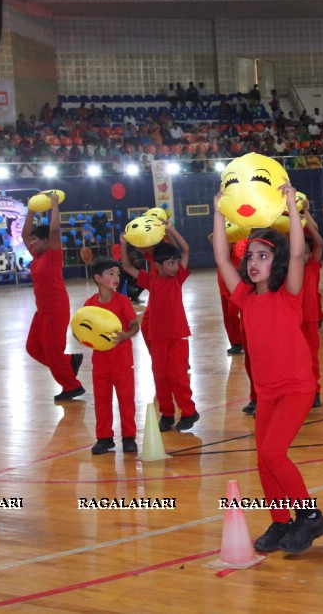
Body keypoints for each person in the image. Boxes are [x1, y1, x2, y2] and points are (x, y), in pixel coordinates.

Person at [212, 183, 323, 554]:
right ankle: (281, 522)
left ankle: (310, 517)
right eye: (251, 257)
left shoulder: (288, 294)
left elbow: (296, 254)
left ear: (274, 264)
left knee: (275, 454)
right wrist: (217, 209)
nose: (254, 262)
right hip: (267, 393)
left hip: (296, 388)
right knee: (264, 459)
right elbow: (220, 258)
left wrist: (292, 206)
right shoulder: (245, 297)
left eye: (263, 256)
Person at [120, 225, 198, 432]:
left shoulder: (178, 278)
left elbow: (186, 249)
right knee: (160, 375)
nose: (174, 266)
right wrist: (123, 244)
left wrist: (171, 230)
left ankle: (189, 411)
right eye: (170, 263)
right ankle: (167, 413)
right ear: (158, 266)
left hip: (179, 335)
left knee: (177, 375)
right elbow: (127, 268)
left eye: (175, 262)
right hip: (158, 337)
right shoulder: (151, 281)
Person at [22, 193, 85, 401]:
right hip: (42, 311)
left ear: (47, 242)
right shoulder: (37, 256)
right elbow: (24, 235)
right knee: (33, 347)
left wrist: (55, 205)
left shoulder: (53, 254)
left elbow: (55, 230)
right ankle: (68, 363)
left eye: (35, 240)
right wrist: (30, 211)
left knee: (53, 351)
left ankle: (72, 386)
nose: (31, 243)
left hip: (55, 308)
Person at [82, 258, 141, 455]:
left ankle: (129, 437)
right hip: (100, 362)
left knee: (126, 398)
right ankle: (104, 437)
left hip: (122, 360)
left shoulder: (123, 301)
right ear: (98, 278)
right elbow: (81, 328)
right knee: (101, 399)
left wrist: (126, 335)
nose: (116, 277)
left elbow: (134, 326)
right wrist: (79, 335)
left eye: (117, 274)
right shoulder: (89, 304)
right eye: (111, 274)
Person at [301, 206, 323, 407]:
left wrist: (304, 219)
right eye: (302, 252)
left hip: (309, 320)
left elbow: (320, 242)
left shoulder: (312, 266)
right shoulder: (289, 269)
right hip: (292, 321)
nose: (305, 255)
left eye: (307, 252)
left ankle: (315, 390)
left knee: (312, 357)